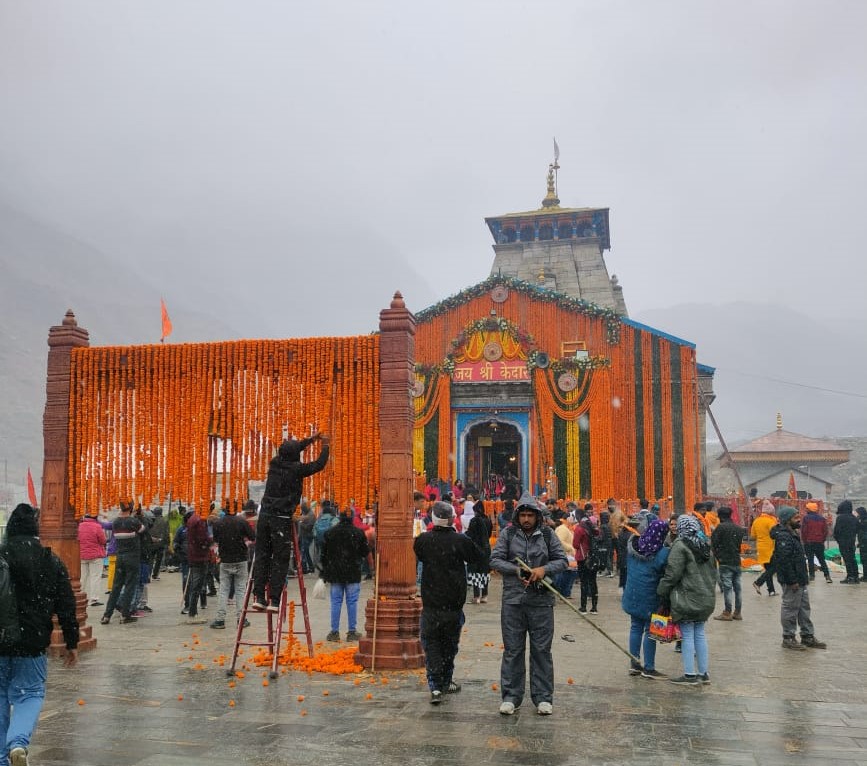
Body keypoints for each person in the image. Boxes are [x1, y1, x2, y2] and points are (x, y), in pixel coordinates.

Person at [0, 504, 79, 766]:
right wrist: (71, 641)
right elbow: (66, 603)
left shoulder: (1, 556)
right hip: (31, 641)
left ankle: (2, 758)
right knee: (29, 694)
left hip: (0, 639)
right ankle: (19, 743)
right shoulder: (50, 560)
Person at [489, 491, 567, 716]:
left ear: (537, 516)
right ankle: (511, 696)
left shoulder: (547, 534)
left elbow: (562, 560)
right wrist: (516, 570)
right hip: (513, 601)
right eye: (522, 515)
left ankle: (543, 697)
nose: (526, 519)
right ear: (517, 516)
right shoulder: (508, 533)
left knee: (541, 650)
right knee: (513, 650)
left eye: (529, 515)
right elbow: (494, 559)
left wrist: (544, 569)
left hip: (541, 601)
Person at [414, 501, 487, 704]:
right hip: (453, 603)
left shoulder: (423, 540)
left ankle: (435, 685)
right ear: (452, 518)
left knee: (432, 644)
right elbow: (479, 557)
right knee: (449, 645)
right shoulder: (460, 540)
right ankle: (446, 681)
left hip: (431, 603)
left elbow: (419, 555)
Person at [252, 434, 330, 611]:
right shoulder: (297, 469)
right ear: (295, 455)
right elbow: (319, 464)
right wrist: (325, 445)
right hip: (280, 519)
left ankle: (258, 596)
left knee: (263, 556)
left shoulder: (274, 463)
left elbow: (290, 450)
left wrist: (310, 440)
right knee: (280, 559)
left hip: (264, 516)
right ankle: (274, 600)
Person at [657, 515, 717, 686]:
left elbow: (672, 574)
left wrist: (661, 590)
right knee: (700, 633)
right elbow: (714, 573)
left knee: (688, 635)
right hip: (705, 597)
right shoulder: (705, 545)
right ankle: (703, 673)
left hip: (687, 597)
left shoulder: (681, 546)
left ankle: (689, 674)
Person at [621, 518, 670, 679]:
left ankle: (634, 663)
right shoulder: (662, 553)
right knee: (650, 631)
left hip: (633, 593)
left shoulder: (633, 546)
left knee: (635, 627)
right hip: (651, 597)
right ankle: (649, 667)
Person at [772, 506, 827, 650]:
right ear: (787, 520)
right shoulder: (784, 535)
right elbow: (784, 560)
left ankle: (807, 636)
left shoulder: (793, 533)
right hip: (793, 580)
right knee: (790, 608)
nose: (799, 519)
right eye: (795, 517)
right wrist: (792, 580)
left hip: (800, 579)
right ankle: (788, 637)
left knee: (804, 608)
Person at [320, 507, 369, 642]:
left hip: (335, 573)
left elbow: (323, 555)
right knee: (352, 601)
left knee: (336, 601)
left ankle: (334, 632)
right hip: (352, 572)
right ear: (352, 517)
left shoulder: (330, 533)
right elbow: (365, 552)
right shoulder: (358, 533)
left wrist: (324, 571)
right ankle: (351, 631)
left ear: (339, 517)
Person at [210, 503, 255, 630]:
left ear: (225, 509)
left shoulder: (218, 523)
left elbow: (216, 540)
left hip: (225, 560)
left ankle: (220, 620)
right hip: (241, 559)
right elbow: (252, 536)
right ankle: (241, 619)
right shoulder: (242, 522)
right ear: (236, 509)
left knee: (223, 590)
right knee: (240, 590)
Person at [101, 501, 143, 625]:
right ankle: (125, 615)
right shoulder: (133, 522)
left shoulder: (116, 522)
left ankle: (106, 615)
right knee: (130, 586)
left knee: (116, 587)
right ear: (131, 509)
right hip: (132, 557)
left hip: (120, 556)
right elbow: (143, 530)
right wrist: (135, 515)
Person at [711, 506, 746, 621]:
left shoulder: (720, 528)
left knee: (727, 588)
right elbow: (739, 545)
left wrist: (718, 557)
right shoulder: (738, 528)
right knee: (738, 588)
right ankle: (738, 612)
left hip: (725, 562)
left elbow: (714, 544)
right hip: (736, 561)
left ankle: (727, 612)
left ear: (720, 516)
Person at [184, 508, 212, 625]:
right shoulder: (199, 521)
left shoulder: (192, 519)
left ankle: (192, 611)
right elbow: (202, 539)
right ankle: (193, 613)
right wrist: (210, 541)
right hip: (199, 556)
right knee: (197, 585)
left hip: (193, 555)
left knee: (195, 585)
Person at [77, 509, 106, 607]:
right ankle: (94, 599)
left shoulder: (79, 526)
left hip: (82, 555)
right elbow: (103, 540)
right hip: (95, 556)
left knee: (82, 577)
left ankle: (79, 596)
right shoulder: (97, 527)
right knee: (95, 577)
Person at [466, 500, 493, 604]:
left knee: (475, 573)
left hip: (475, 549)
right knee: (484, 572)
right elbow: (489, 534)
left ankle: (476, 596)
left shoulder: (474, 520)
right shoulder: (488, 520)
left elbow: (470, 535)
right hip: (486, 548)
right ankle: (485, 595)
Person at [573, 515, 601, 614]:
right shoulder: (595, 529)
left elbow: (575, 544)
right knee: (593, 582)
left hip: (583, 558)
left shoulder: (580, 529)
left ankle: (583, 607)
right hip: (594, 558)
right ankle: (594, 607)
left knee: (584, 582)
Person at [800, 502, 833, 584]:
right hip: (819, 543)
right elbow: (825, 531)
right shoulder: (822, 519)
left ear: (809, 509)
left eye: (807, 508)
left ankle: (811, 576)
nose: (806, 509)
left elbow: (803, 531)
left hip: (809, 542)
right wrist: (822, 540)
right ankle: (827, 576)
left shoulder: (806, 518)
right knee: (822, 560)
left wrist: (804, 541)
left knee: (810, 560)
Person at [750, 500, 778, 596]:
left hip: (761, 547)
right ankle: (758, 582)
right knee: (774, 567)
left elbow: (753, 535)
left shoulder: (756, 521)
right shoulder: (771, 521)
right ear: (770, 511)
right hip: (770, 547)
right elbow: (775, 534)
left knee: (768, 569)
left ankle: (771, 591)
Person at [833, 500, 860, 585]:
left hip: (843, 542)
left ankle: (850, 577)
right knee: (852, 559)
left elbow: (836, 531)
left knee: (847, 560)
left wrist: (839, 540)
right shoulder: (854, 518)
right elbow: (857, 529)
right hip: (851, 542)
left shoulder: (840, 518)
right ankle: (855, 577)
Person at [552, 512, 577, 599]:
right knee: (567, 574)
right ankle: (564, 592)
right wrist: (570, 548)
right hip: (565, 554)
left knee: (568, 573)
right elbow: (560, 541)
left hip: (567, 554)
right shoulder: (563, 529)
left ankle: (565, 592)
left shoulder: (566, 528)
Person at [148, 507, 169, 580]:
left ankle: (148, 574)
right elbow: (166, 533)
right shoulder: (165, 521)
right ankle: (155, 574)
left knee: (150, 559)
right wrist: (167, 543)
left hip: (151, 542)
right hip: (161, 543)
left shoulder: (150, 520)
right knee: (158, 560)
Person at [297, 503, 316, 575]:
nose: (302, 510)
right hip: (304, 535)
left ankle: (305, 568)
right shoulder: (306, 513)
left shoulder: (311, 515)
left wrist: (301, 524)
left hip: (307, 536)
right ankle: (310, 567)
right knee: (306, 552)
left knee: (304, 552)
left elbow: (309, 527)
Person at [856, 507, 867, 582]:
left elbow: (864, 534)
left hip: (864, 544)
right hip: (863, 543)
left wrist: (862, 542)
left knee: (864, 560)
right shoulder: (863, 521)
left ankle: (865, 576)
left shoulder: (863, 522)